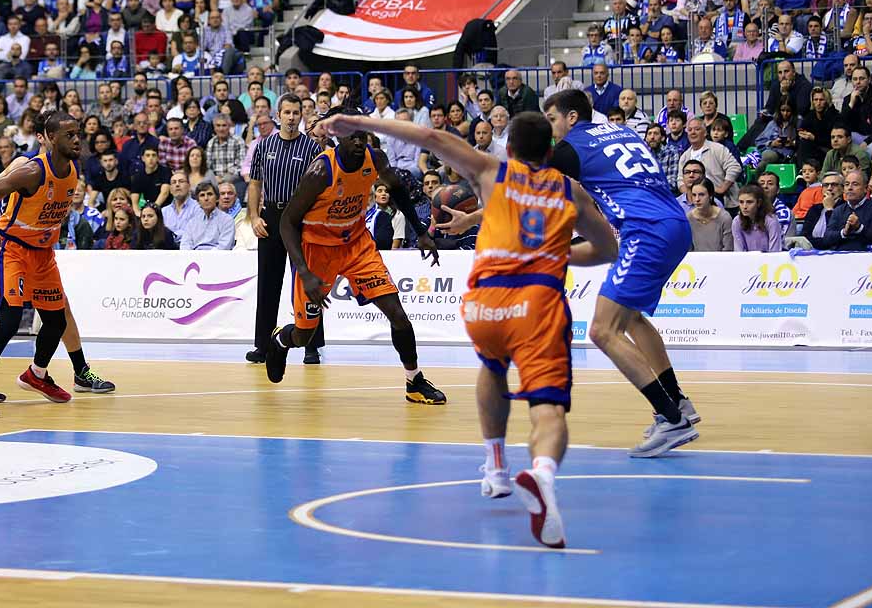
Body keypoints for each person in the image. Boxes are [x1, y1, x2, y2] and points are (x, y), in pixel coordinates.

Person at [317, 107, 618, 549]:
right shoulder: (569, 191)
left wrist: (360, 122)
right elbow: (608, 247)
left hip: (486, 305)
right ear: (550, 151)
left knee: (492, 366)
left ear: (509, 148)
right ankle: (543, 476)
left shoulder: (492, 171)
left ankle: (495, 467)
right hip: (538, 302)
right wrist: (557, 254)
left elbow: (427, 135)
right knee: (548, 408)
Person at [543, 90, 700, 456]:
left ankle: (670, 419)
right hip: (674, 222)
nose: (550, 129)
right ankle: (678, 403)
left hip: (646, 229)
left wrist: (474, 218)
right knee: (629, 320)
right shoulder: (622, 130)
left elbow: (520, 188)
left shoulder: (570, 148)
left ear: (571, 118)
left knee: (602, 329)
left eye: (552, 120)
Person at [266, 108, 446, 406]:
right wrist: (305, 272)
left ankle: (414, 381)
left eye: (363, 135)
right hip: (316, 251)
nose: (360, 142)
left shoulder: (375, 159)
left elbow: (398, 189)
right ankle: (281, 340)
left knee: (398, 315)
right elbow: (287, 222)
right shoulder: (321, 171)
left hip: (356, 245)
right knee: (304, 335)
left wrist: (421, 230)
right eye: (353, 137)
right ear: (338, 138)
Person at [0, 112, 80, 418]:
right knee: (8, 320)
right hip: (10, 249)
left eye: (77, 133)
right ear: (50, 138)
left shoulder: (71, 170)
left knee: (56, 320)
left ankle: (36, 375)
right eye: (69, 135)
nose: (77, 139)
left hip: (43, 253)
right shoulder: (30, 171)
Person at [246, 95, 326, 363]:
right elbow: (255, 184)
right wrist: (254, 216)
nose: (291, 117)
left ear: (301, 116)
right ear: (277, 115)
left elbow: (321, 189)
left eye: (296, 113)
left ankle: (312, 346)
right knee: (268, 283)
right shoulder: (263, 146)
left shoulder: (312, 148)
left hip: (301, 218)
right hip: (271, 215)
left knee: (305, 282)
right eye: (287, 112)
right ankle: (262, 345)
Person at [822, 169, 872, 250]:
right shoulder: (838, 210)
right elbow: (826, 239)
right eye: (847, 184)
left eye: (855, 184)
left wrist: (859, 228)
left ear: (865, 188)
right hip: (840, 256)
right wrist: (843, 233)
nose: (850, 188)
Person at [732, 184, 783, 252]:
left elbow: (775, 251)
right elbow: (739, 251)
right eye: (741, 202)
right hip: (747, 261)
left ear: (759, 202)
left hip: (770, 261)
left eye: (749, 202)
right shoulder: (737, 221)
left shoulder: (771, 220)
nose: (744, 206)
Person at [688, 181, 733, 251]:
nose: (697, 199)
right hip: (696, 260)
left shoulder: (724, 218)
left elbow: (728, 249)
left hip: (721, 260)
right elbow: (689, 249)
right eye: (694, 195)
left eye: (701, 195)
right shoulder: (689, 218)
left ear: (711, 195)